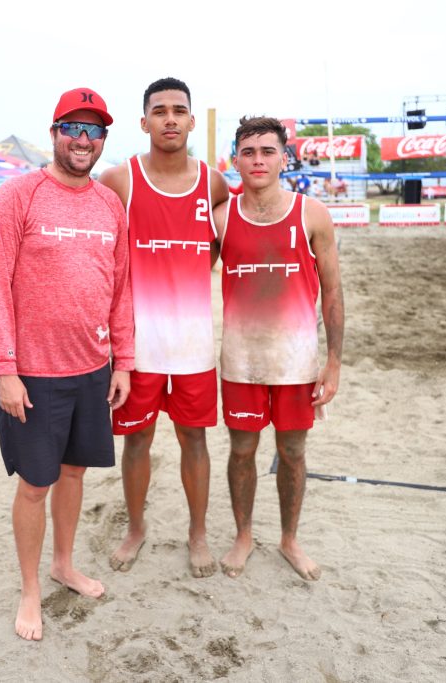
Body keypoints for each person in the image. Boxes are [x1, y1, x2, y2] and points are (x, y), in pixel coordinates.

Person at [0, 87, 133, 641]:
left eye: (94, 131)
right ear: (54, 132)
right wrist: (5, 369)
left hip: (92, 368)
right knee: (35, 484)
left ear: (103, 141)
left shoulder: (109, 204)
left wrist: (123, 360)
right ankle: (29, 591)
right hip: (34, 374)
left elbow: (121, 287)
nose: (83, 140)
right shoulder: (19, 195)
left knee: (74, 472)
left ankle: (63, 564)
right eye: (74, 127)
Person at [99, 77, 229, 578]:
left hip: (194, 345)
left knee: (194, 440)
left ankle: (197, 534)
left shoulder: (212, 183)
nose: (170, 119)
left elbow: (222, 247)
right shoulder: (121, 180)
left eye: (179, 111)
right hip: (138, 347)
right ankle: (136, 528)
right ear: (144, 122)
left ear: (192, 121)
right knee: (137, 441)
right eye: (160, 111)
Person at [214, 116, 343, 579]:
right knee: (242, 450)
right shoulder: (222, 218)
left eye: (268, 151)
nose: (258, 160)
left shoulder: (311, 214)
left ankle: (289, 539)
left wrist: (333, 361)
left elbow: (332, 291)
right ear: (236, 160)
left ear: (284, 158)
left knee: (292, 451)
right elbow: (183, 274)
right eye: (248, 152)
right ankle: (244, 536)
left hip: (297, 362)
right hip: (240, 361)